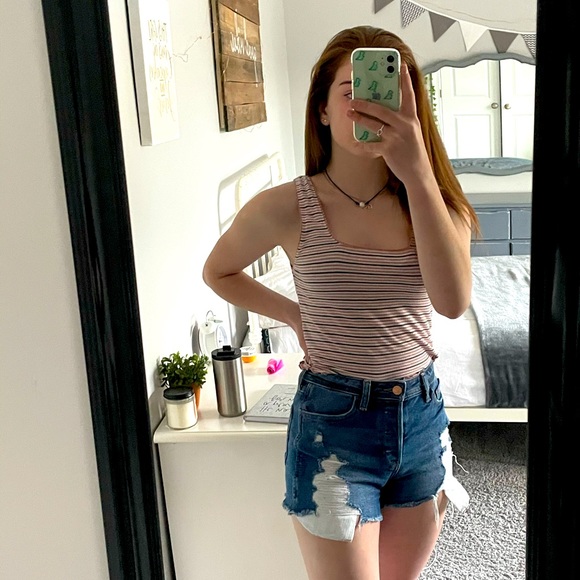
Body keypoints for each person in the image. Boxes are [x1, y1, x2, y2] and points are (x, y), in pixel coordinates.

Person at [203, 25, 479, 580]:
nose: (370, 105)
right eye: (352, 90)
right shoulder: (284, 207)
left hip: (421, 417)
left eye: (388, 93)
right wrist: (293, 314)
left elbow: (451, 303)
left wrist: (418, 174)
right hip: (333, 428)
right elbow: (219, 272)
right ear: (323, 110)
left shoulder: (435, 202)